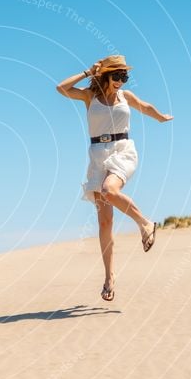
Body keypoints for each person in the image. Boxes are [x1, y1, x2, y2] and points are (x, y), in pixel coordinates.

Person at [56, 55, 173, 301]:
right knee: (105, 222)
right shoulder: (90, 97)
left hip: (122, 151)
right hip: (98, 154)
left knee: (110, 189)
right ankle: (109, 277)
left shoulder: (125, 97)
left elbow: (145, 106)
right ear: (106, 75)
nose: (121, 80)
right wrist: (88, 72)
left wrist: (161, 117)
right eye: (117, 76)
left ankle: (145, 223)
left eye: (124, 76)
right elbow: (61, 88)